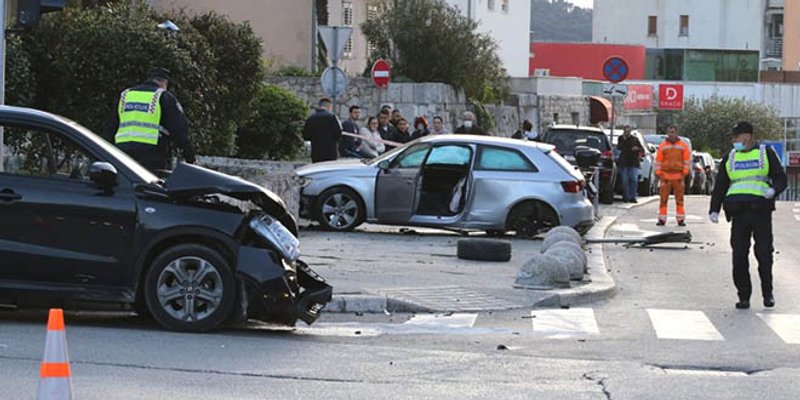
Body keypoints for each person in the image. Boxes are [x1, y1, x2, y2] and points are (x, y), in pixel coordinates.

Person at [709, 122, 787, 310]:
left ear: (749, 136)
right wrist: (714, 209)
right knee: (739, 255)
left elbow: (780, 177)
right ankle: (743, 296)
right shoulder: (730, 157)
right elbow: (720, 185)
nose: (735, 141)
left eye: (738, 137)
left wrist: (774, 190)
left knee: (763, 253)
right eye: (733, 138)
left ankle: (767, 293)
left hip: (760, 211)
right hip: (739, 213)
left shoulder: (765, 153)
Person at [107, 67, 196, 173]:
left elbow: (110, 128)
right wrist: (191, 158)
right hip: (152, 157)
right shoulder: (163, 96)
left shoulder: (125, 95)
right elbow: (179, 131)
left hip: (122, 154)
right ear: (165, 82)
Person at [654, 125, 691, 226]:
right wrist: (659, 173)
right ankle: (662, 219)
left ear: (677, 133)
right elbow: (658, 160)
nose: (671, 134)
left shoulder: (683, 146)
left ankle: (680, 219)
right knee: (663, 200)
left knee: (679, 200)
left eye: (673, 132)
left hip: (678, 176)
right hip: (665, 176)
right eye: (669, 132)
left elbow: (687, 161)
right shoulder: (662, 146)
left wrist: (684, 173)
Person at [302, 97, 342, 163]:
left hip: (316, 153)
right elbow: (338, 134)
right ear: (329, 106)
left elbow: (306, 136)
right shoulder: (332, 117)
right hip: (330, 152)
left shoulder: (311, 118)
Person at [617, 125, 643, 203]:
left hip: (633, 162)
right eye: (625, 131)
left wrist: (637, 149)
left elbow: (641, 148)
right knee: (625, 181)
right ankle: (626, 197)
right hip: (624, 162)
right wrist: (624, 140)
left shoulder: (635, 139)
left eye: (628, 131)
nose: (627, 133)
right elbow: (619, 147)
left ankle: (633, 196)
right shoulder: (621, 138)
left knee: (634, 180)